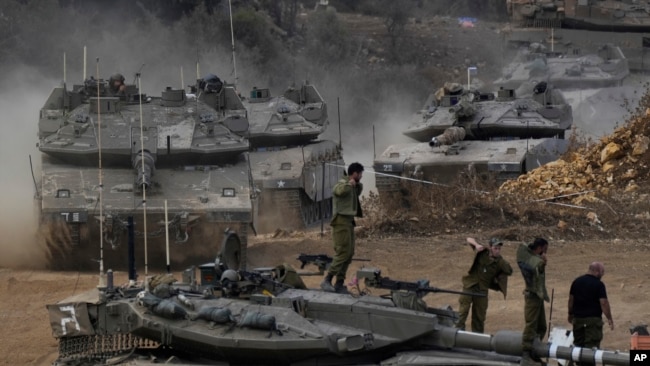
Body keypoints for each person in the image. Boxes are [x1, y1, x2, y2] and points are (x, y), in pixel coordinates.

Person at [320, 162, 364, 294]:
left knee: (349, 254)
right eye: (360, 174)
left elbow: (359, 190)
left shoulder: (354, 184)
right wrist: (348, 184)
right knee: (342, 253)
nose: (361, 176)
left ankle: (339, 283)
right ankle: (327, 280)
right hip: (340, 223)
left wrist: (355, 184)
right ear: (354, 173)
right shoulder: (342, 183)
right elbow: (337, 190)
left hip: (348, 223)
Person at [456, 237, 513, 333]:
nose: (497, 251)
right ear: (490, 247)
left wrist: (499, 277)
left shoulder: (499, 262)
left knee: (479, 316)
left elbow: (509, 271)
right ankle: (458, 332)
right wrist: (476, 245)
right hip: (470, 285)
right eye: (495, 248)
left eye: (499, 249)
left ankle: (477, 338)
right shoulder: (482, 252)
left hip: (482, 290)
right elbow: (468, 239)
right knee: (463, 311)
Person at [516, 238, 549, 363]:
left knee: (542, 326)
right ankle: (526, 352)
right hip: (532, 296)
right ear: (540, 248)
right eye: (544, 250)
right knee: (531, 324)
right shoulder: (530, 259)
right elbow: (535, 267)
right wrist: (542, 262)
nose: (545, 253)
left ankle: (535, 349)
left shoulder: (533, 257)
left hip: (538, 296)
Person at [568, 262, 614, 350]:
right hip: (593, 322)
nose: (602, 276)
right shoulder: (599, 284)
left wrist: (570, 314)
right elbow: (603, 303)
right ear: (597, 271)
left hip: (578, 320)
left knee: (577, 348)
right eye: (602, 273)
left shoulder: (576, 282)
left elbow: (571, 300)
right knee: (591, 350)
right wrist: (609, 318)